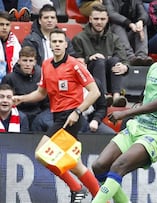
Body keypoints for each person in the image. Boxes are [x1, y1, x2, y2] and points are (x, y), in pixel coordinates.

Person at [91, 33, 157, 203]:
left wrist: (124, 112)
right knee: (99, 166)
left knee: (118, 166)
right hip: (136, 127)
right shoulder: (155, 67)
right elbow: (146, 98)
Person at [13, 29, 101, 202]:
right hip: (57, 116)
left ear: (66, 44)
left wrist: (77, 111)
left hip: (70, 118)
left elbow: (95, 92)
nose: (57, 45)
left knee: (41, 154)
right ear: (50, 44)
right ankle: (102, 199)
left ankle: (76, 188)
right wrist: (21, 99)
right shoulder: (46, 65)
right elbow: (41, 93)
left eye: (61, 41)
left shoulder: (75, 64)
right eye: (54, 42)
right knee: (76, 166)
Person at [72, 4, 129, 107]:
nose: (99, 22)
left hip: (109, 76)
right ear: (90, 19)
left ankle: (117, 97)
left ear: (107, 19)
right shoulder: (79, 38)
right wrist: (89, 58)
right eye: (96, 19)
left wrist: (124, 67)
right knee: (99, 60)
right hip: (90, 78)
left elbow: (124, 59)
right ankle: (104, 95)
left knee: (115, 61)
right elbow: (74, 62)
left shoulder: (114, 38)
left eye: (102, 19)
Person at [1, 46, 52, 132]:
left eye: (31, 61)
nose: (27, 64)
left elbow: (47, 101)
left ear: (35, 62)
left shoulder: (41, 76)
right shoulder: (9, 78)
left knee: (43, 121)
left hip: (38, 113)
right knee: (22, 118)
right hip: (18, 112)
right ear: (19, 61)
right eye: (24, 60)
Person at [103, 0, 153, 66]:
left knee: (141, 25)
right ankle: (130, 57)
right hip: (113, 36)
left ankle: (142, 56)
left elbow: (143, 13)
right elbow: (111, 14)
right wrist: (129, 23)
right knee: (117, 26)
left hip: (130, 33)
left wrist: (141, 21)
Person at [0, 11, 21, 81]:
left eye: (7, 24)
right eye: (1, 24)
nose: (4, 27)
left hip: (11, 80)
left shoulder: (14, 41)